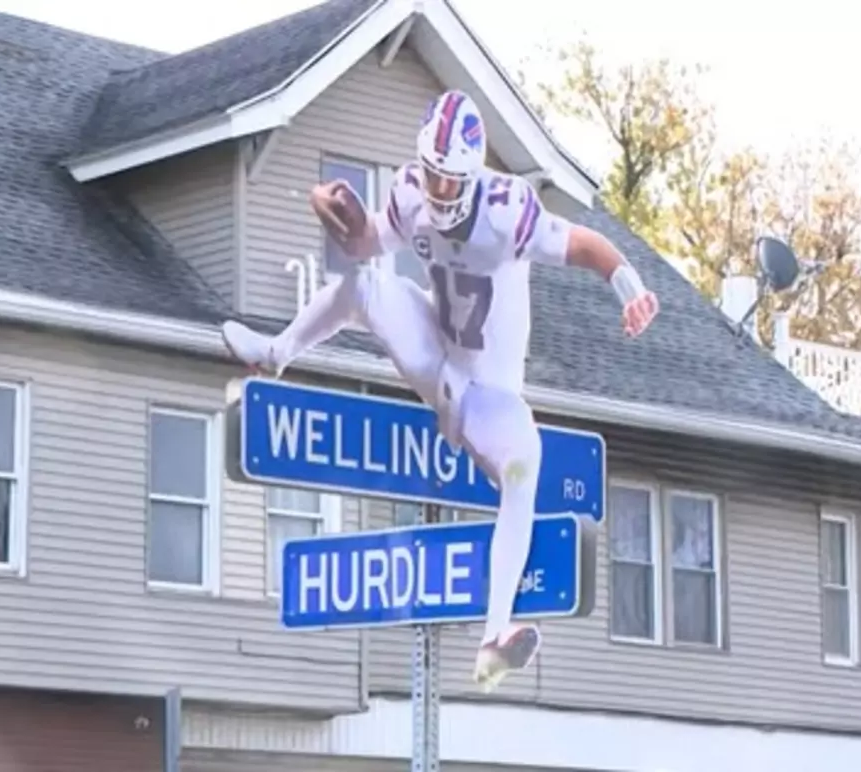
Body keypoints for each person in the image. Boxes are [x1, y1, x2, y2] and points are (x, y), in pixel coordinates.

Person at [221, 89, 659, 692]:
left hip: (489, 394)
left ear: (473, 178)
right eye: (430, 173)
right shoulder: (410, 191)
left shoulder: (508, 210)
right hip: (437, 353)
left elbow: (585, 244)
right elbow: (368, 242)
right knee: (365, 286)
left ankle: (493, 637)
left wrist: (629, 288)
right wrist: (337, 211)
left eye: (449, 180)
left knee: (524, 463)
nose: (437, 189)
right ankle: (274, 354)